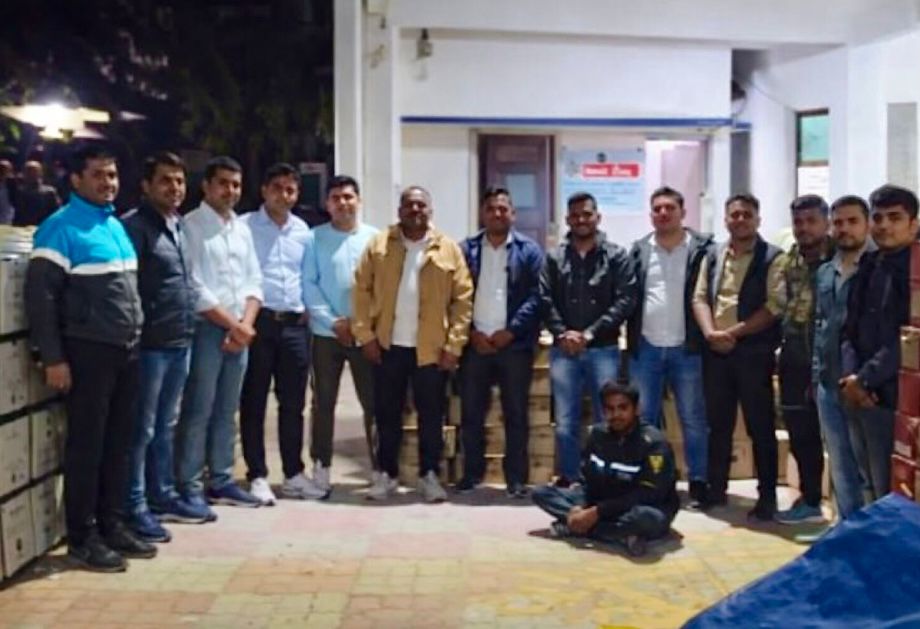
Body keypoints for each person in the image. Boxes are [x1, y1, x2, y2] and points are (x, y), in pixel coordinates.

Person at [25, 146, 153, 572]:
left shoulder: (113, 225)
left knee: (118, 443)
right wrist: (53, 358)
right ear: (76, 180)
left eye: (112, 174)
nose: (107, 182)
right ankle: (82, 537)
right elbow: (41, 298)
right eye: (98, 174)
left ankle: (111, 524)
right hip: (87, 352)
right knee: (87, 446)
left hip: (125, 350)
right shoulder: (59, 228)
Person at [352, 185, 473, 502]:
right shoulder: (380, 245)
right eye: (409, 205)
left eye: (421, 205)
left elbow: (462, 301)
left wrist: (454, 345)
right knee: (386, 415)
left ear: (430, 211)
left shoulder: (448, 249)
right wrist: (365, 336)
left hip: (431, 351)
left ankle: (429, 476)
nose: (415, 210)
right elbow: (361, 291)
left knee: (431, 417)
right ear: (399, 210)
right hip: (387, 346)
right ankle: (386, 475)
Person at [122, 152, 204, 542]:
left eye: (179, 181)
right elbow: (129, 289)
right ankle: (135, 505)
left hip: (180, 339)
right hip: (150, 345)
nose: (174, 188)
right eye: (165, 180)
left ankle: (163, 495)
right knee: (142, 428)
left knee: (165, 426)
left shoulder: (178, 225)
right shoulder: (134, 228)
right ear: (146, 185)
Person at [175, 156, 263, 514]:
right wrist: (233, 326)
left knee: (227, 410)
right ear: (206, 186)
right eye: (223, 183)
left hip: (240, 332)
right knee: (199, 409)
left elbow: (254, 280)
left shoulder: (241, 228)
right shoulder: (191, 226)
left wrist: (245, 325)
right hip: (207, 329)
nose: (230, 191)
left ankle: (222, 479)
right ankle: (189, 484)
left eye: (236, 184)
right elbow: (194, 286)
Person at [692, 193, 785, 520]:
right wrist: (710, 333)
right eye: (734, 215)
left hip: (753, 353)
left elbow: (774, 306)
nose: (740, 220)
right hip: (715, 353)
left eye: (747, 214)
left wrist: (733, 334)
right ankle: (716, 491)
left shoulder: (773, 257)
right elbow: (700, 298)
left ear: (758, 219)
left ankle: (767, 497)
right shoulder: (713, 255)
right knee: (717, 426)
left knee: (760, 427)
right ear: (726, 220)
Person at [540, 192, 637, 487]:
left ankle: (604, 478)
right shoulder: (555, 257)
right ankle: (570, 477)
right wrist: (562, 333)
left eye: (587, 214)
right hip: (563, 351)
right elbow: (544, 298)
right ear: (568, 219)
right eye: (575, 215)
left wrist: (590, 333)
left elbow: (625, 299)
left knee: (607, 418)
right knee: (565, 421)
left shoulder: (616, 256)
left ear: (598, 217)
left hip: (603, 348)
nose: (581, 219)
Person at [627, 186, 713, 509]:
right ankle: (650, 482)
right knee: (644, 419)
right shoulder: (639, 250)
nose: (663, 213)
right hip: (646, 346)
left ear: (683, 212)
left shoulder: (702, 250)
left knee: (693, 418)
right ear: (651, 215)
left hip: (687, 347)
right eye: (657, 209)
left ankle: (698, 481)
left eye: (669, 208)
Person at [456, 187, 544, 497]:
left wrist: (512, 331)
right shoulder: (465, 250)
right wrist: (470, 333)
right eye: (491, 208)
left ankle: (516, 478)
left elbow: (537, 296)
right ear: (483, 214)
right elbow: (454, 295)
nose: (497, 214)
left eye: (503, 209)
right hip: (475, 344)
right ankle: (472, 474)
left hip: (513, 346)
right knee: (471, 413)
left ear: (513, 214)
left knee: (516, 414)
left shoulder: (529, 251)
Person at [532, 381, 679, 557]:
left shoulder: (654, 443)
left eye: (623, 408)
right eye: (610, 409)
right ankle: (616, 534)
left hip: (640, 506)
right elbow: (587, 479)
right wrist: (580, 507)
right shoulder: (597, 434)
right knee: (541, 493)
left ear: (636, 409)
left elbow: (649, 494)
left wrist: (597, 512)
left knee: (644, 517)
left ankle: (581, 528)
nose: (616, 414)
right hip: (602, 500)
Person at [238, 163, 313, 505]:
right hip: (259, 323)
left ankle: (294, 473)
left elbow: (306, 275)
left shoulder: (303, 231)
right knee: (254, 401)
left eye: (290, 189)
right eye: (278, 188)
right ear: (264, 191)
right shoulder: (244, 227)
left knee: (293, 403)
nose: (284, 195)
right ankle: (257, 474)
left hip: (295, 326)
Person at [841, 184, 919, 503]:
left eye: (895, 218)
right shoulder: (869, 264)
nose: (884, 225)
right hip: (858, 393)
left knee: (895, 489)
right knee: (867, 482)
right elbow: (849, 329)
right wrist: (851, 379)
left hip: (898, 398)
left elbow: (910, 338)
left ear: (913, 224)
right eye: (878, 217)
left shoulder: (916, 271)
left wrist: (865, 379)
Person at [302, 175, 379, 495]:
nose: (343, 203)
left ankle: (380, 470)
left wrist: (360, 324)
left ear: (359, 201)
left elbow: (380, 287)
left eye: (348, 197)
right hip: (325, 333)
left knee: (373, 402)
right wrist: (334, 322)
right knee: (323, 403)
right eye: (336, 198)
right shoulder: (314, 238)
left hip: (366, 335)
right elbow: (309, 284)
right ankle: (321, 468)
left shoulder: (375, 239)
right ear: (327, 204)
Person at [812, 196, 874, 523]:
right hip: (827, 382)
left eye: (852, 221)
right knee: (839, 464)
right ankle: (848, 529)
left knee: (868, 468)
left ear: (867, 224)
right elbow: (820, 326)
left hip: (863, 385)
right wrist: (816, 377)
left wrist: (866, 379)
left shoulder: (876, 269)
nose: (844, 229)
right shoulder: (826, 272)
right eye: (838, 223)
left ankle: (870, 534)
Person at [774, 195, 832, 524]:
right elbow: (777, 305)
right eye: (798, 222)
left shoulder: (841, 257)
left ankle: (848, 507)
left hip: (831, 360)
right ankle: (810, 500)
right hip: (795, 357)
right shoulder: (789, 260)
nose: (804, 228)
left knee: (838, 434)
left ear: (825, 222)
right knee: (800, 432)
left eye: (811, 221)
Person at [13, 160, 61, 226]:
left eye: (34, 171)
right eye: (28, 171)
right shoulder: (20, 192)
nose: (31, 174)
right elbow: (17, 213)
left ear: (40, 173)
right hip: (23, 228)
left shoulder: (49, 192)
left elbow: (56, 212)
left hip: (43, 227)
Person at [0, 159, 15, 224]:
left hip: (7, 220)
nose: (2, 172)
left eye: (5, 170)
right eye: (1, 169)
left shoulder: (13, 185)